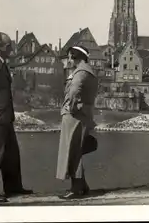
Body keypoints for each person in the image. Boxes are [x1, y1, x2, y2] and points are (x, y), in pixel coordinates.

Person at [0, 32, 33, 203]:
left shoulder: (0, 63)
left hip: (4, 117)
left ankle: (13, 187)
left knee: (11, 154)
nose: (11, 48)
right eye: (8, 45)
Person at [56, 45, 99, 199]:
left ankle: (77, 189)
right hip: (84, 114)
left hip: (74, 116)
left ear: (75, 56)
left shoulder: (80, 72)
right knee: (77, 150)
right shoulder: (90, 72)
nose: (68, 60)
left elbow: (74, 91)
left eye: (69, 56)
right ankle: (82, 185)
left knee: (72, 151)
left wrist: (72, 107)